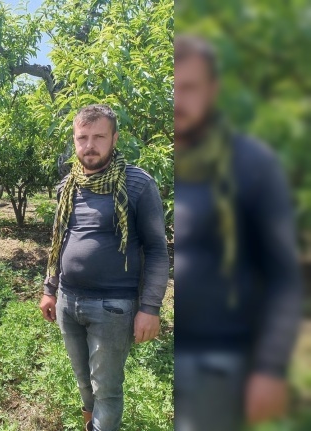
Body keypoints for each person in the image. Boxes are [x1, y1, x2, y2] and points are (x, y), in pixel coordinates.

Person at [173, 35, 302, 431]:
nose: (178, 100)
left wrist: (271, 367)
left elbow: (284, 274)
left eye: (189, 88)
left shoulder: (251, 163)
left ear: (213, 90)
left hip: (219, 362)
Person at [39, 104, 169, 431]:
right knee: (84, 383)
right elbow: (59, 239)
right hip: (69, 301)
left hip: (113, 305)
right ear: (74, 140)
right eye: (82, 137)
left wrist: (151, 308)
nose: (89, 145)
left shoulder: (137, 184)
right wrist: (49, 289)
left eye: (99, 136)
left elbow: (156, 249)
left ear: (114, 138)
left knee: (107, 391)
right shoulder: (69, 185)